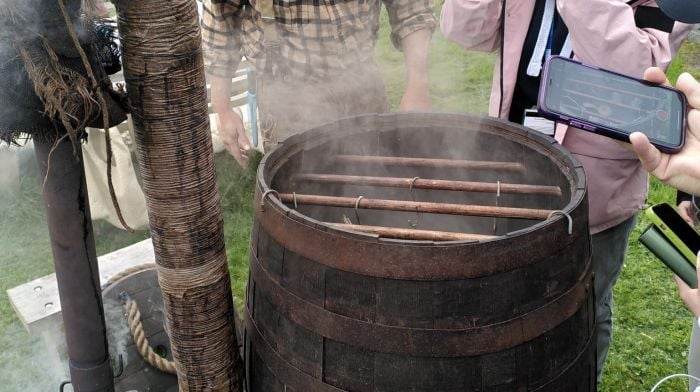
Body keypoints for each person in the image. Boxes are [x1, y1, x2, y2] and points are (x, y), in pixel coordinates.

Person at [441, 0, 695, 382]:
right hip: (510, 161)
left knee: (583, 304)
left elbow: (638, 69)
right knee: (504, 291)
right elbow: (465, 32)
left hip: (596, 185)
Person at [201, 0, 437, 167]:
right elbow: (221, 18)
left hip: (364, 89)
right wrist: (222, 107)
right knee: (299, 204)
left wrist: (418, 87)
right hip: (289, 102)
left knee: (377, 185)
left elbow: (411, 8)